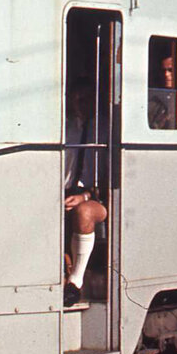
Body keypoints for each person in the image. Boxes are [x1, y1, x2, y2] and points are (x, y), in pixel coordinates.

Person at [64, 79, 109, 307]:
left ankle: (75, 282)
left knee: (84, 213)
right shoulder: (66, 126)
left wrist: (84, 196)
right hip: (68, 192)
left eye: (87, 99)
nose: (81, 104)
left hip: (97, 196)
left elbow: (110, 178)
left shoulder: (104, 128)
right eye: (77, 98)